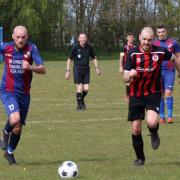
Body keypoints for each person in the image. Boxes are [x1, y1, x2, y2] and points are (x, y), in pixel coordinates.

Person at [123, 27, 177, 166]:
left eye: (149, 40)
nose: (147, 42)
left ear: (152, 39)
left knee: (152, 122)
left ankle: (154, 132)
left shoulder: (160, 51)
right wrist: (129, 74)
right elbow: (125, 78)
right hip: (136, 94)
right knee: (136, 128)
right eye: (144, 39)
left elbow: (174, 58)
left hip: (153, 93)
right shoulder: (132, 53)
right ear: (139, 37)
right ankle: (140, 158)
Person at [0, 25, 46, 164]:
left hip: (24, 94)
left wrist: (31, 67)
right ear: (13, 36)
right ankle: (5, 132)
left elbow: (43, 69)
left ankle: (9, 153)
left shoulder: (32, 49)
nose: (20, 40)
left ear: (27, 37)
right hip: (8, 91)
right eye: (18, 37)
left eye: (23, 37)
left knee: (18, 127)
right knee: (15, 119)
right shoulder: (5, 47)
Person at [65, 32, 100, 110]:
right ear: (79, 39)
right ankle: (79, 106)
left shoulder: (89, 47)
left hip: (86, 69)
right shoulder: (75, 47)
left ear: (86, 39)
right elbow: (69, 59)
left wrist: (97, 68)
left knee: (86, 89)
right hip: (77, 69)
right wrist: (68, 71)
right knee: (80, 87)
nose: (83, 39)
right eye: (82, 37)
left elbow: (94, 57)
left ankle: (81, 99)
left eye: (85, 37)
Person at [153, 25, 180, 124]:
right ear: (157, 33)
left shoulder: (173, 42)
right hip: (158, 72)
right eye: (159, 32)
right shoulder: (154, 43)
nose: (161, 34)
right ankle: (161, 116)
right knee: (160, 94)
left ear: (166, 32)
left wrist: (179, 71)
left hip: (170, 71)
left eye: (163, 31)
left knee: (168, 92)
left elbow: (178, 57)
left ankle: (169, 116)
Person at [119, 32, 135, 101]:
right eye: (129, 37)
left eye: (131, 37)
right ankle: (127, 96)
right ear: (127, 38)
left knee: (134, 81)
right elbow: (121, 57)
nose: (130, 38)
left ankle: (133, 95)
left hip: (134, 66)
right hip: (127, 66)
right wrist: (120, 66)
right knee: (128, 81)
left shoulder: (135, 47)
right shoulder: (124, 47)